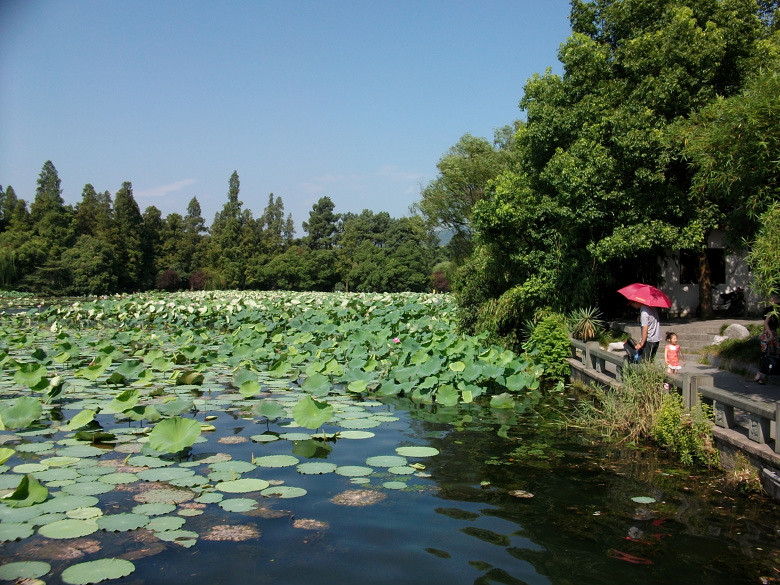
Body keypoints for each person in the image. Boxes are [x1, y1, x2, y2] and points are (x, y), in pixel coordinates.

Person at [755, 301, 779, 384]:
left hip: (772, 334)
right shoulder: (771, 312)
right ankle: (759, 376)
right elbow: (766, 323)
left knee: (770, 355)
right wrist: (771, 334)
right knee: (766, 355)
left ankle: (762, 376)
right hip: (769, 334)